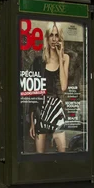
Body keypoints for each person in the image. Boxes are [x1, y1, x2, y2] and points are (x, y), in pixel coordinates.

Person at [29, 22, 70, 153]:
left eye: (56, 35)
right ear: (46, 38)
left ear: (60, 38)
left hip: (57, 110)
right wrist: (32, 122)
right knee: (39, 154)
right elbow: (33, 94)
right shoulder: (39, 61)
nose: (54, 39)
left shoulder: (65, 58)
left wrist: (60, 55)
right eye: (51, 35)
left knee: (62, 150)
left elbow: (63, 87)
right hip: (41, 109)